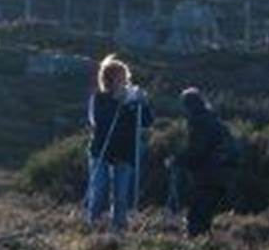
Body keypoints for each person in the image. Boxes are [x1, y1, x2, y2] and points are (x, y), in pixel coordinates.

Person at [86, 55, 153, 233]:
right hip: (101, 151)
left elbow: (147, 122)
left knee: (121, 195)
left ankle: (118, 230)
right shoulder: (99, 98)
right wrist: (118, 101)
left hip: (125, 152)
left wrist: (144, 104)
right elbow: (99, 121)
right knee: (99, 191)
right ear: (108, 78)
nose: (124, 80)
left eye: (125, 77)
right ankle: (94, 227)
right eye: (119, 77)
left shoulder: (132, 99)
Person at [168, 87, 236, 237]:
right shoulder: (213, 119)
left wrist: (178, 160)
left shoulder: (198, 122)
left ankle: (195, 243)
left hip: (209, 174)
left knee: (197, 212)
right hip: (223, 172)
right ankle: (204, 243)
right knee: (205, 212)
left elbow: (197, 151)